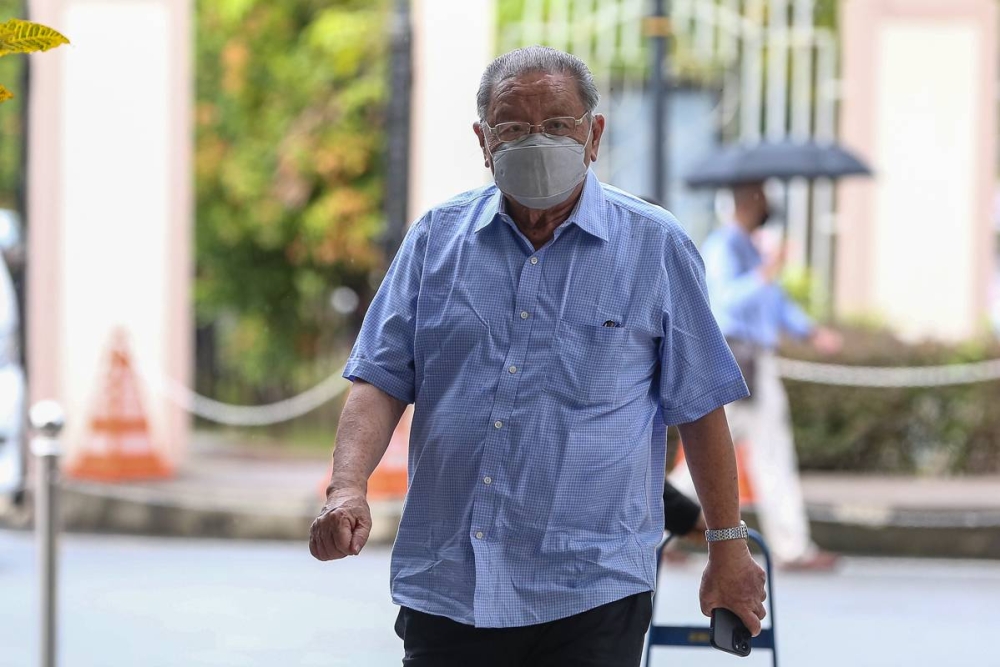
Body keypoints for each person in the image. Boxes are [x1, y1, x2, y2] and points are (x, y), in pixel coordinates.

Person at [309, 46, 766, 667]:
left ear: (594, 134)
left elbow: (701, 405)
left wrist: (727, 545)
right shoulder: (435, 241)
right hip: (451, 580)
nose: (536, 141)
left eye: (556, 124)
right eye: (513, 128)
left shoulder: (655, 247)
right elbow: (380, 378)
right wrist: (346, 488)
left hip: (592, 585)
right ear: (483, 141)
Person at [669, 182, 842, 571]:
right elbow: (724, 302)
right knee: (741, 452)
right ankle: (790, 546)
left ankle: (664, 526)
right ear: (748, 199)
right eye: (762, 194)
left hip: (753, 361)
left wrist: (811, 331)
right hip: (735, 358)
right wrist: (765, 272)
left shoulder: (749, 247)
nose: (769, 203)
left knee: (727, 453)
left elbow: (773, 303)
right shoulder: (723, 247)